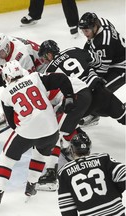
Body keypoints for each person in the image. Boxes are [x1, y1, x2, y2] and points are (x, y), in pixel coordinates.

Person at [35, 40, 125, 190]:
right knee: (123, 115)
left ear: (50, 54)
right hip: (100, 92)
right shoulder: (73, 49)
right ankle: (76, 142)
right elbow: (96, 60)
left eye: (45, 57)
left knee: (60, 129)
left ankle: (54, 169)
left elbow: (54, 96)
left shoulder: (50, 71)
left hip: (83, 101)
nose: (44, 61)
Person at [0, 60, 76, 206]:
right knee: (40, 155)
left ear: (7, 77)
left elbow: (12, 123)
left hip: (27, 131)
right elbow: (61, 78)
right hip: (51, 130)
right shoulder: (35, 77)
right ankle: (31, 186)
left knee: (6, 159)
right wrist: (70, 97)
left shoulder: (4, 95)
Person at [0, 33, 46, 128]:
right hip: (29, 65)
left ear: (7, 47)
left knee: (24, 87)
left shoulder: (21, 56)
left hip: (43, 68)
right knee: (10, 84)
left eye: (0, 52)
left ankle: (31, 109)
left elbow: (31, 81)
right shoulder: (1, 44)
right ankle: (13, 112)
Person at [58, 133, 126, 216]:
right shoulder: (103, 158)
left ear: (72, 150)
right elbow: (123, 175)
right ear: (89, 149)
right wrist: (116, 190)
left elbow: (67, 207)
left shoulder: (64, 172)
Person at [78, 12, 126, 126]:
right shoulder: (102, 22)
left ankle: (97, 114)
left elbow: (101, 71)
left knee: (99, 92)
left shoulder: (103, 43)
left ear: (95, 27)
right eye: (83, 31)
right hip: (113, 60)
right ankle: (94, 113)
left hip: (122, 67)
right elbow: (90, 44)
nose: (85, 34)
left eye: (87, 30)